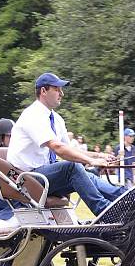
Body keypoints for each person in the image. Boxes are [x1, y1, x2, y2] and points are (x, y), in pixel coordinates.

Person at [7, 73, 126, 215]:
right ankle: (106, 211)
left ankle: (125, 197)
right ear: (43, 91)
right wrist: (92, 161)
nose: (61, 93)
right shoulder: (32, 115)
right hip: (27, 178)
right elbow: (58, 148)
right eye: (57, 89)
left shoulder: (56, 119)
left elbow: (69, 149)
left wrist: (100, 156)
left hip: (43, 176)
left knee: (85, 173)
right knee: (72, 168)